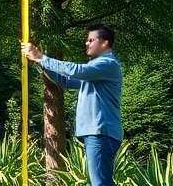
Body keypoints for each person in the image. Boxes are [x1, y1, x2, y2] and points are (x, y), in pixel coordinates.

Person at [22, 25, 123, 186]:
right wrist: (39, 62)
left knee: (100, 183)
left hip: (101, 132)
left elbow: (75, 70)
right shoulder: (96, 71)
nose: (86, 43)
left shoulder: (107, 64)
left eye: (91, 40)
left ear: (105, 43)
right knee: (100, 182)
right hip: (97, 133)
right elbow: (65, 81)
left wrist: (42, 57)